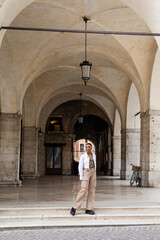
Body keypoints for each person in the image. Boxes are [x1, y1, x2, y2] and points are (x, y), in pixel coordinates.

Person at [70, 143, 96, 216]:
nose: (87, 148)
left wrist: (94, 172)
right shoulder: (83, 156)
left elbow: (95, 164)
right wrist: (81, 177)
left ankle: (89, 209)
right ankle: (74, 208)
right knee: (83, 190)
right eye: (86, 147)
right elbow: (80, 167)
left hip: (93, 172)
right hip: (86, 172)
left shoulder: (94, 156)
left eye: (89, 147)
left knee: (92, 191)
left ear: (91, 148)